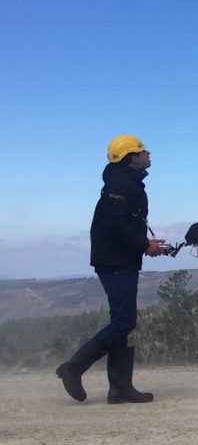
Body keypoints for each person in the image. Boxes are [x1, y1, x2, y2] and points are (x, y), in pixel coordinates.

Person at [56, 134, 163, 404]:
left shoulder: (125, 182)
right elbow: (114, 225)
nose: (149, 154)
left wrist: (147, 245)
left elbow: (123, 224)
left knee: (122, 321)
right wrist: (143, 243)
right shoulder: (121, 183)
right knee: (124, 321)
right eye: (143, 151)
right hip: (115, 262)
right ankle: (74, 367)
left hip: (120, 259)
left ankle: (120, 389)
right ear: (133, 158)